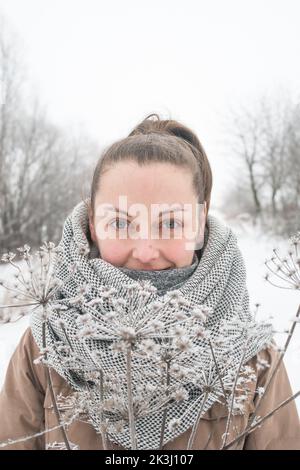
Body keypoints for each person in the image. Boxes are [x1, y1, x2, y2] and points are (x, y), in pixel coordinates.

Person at [0, 114, 299, 450]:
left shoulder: (251, 358)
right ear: (93, 226)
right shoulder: (46, 346)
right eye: (121, 223)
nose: (144, 251)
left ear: (199, 227)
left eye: (170, 223)